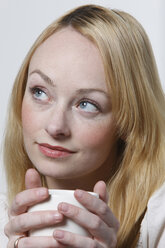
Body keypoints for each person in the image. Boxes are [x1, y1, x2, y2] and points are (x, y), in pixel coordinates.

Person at [0, 4, 165, 248]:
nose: (55, 127)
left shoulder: (158, 219)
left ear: (128, 123)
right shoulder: (5, 218)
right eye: (40, 92)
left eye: (87, 104)